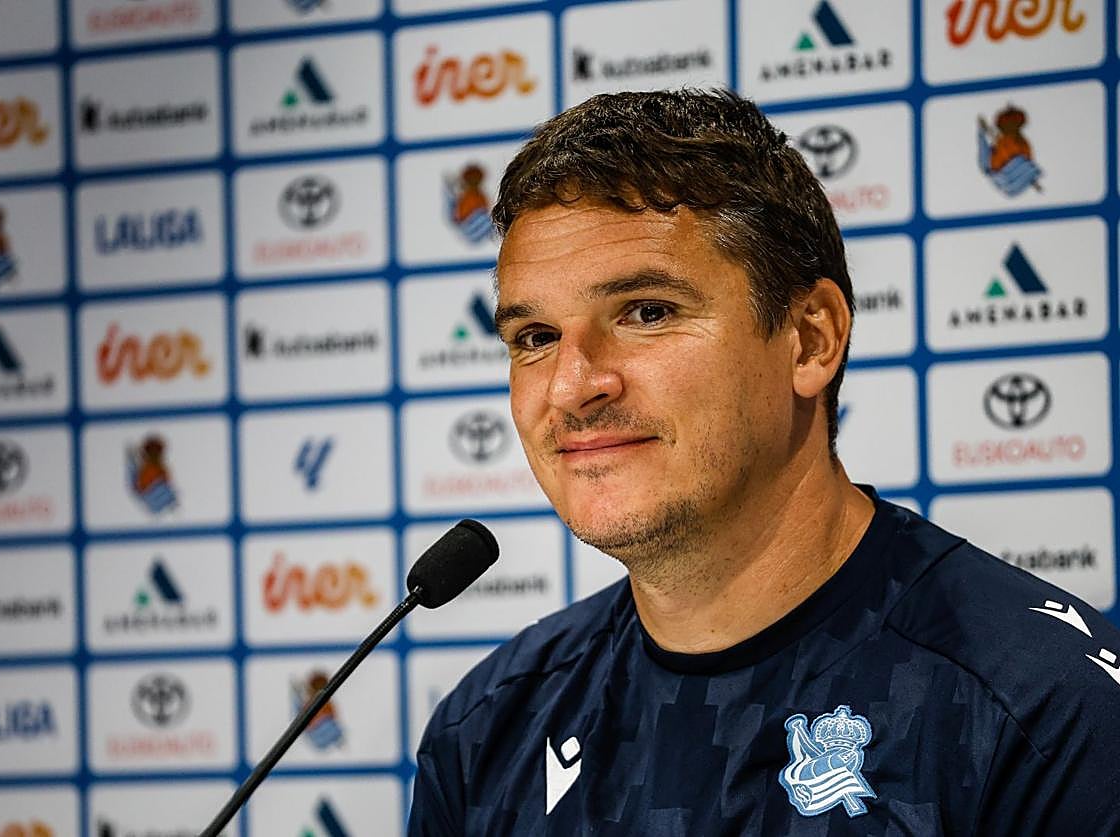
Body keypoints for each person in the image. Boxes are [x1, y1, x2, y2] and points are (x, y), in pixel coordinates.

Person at [408, 89, 1120, 836]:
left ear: (811, 338)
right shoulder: (485, 730)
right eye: (535, 335)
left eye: (647, 311)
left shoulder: (1043, 713)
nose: (572, 385)